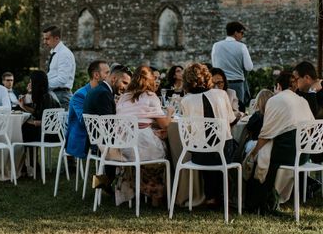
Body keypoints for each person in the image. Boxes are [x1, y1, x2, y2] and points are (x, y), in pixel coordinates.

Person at [247, 71, 314, 213]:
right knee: (264, 155)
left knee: (260, 156)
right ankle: (265, 201)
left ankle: (256, 203)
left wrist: (254, 152)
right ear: (294, 86)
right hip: (304, 154)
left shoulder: (275, 100)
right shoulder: (303, 101)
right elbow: (312, 127)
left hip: (288, 152)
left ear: (278, 85)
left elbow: (266, 133)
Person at [116, 66, 175, 206]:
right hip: (142, 145)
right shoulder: (150, 96)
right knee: (164, 150)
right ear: (149, 80)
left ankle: (138, 192)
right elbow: (165, 125)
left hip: (123, 146)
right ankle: (156, 196)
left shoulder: (123, 97)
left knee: (153, 141)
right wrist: (170, 112)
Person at [179, 63, 236, 208]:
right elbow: (231, 120)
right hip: (224, 152)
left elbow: (189, 130)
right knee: (225, 146)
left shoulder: (185, 101)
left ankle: (211, 196)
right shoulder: (222, 94)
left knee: (204, 146)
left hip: (201, 155)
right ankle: (226, 195)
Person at [65, 60, 110, 160]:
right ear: (96, 75)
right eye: (107, 73)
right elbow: (84, 120)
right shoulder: (80, 95)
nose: (109, 76)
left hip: (99, 135)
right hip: (84, 138)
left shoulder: (106, 93)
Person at [211, 21, 253, 112]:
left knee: (221, 110)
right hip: (237, 83)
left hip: (220, 83)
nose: (242, 36)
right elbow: (249, 67)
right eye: (242, 33)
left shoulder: (216, 46)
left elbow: (214, 66)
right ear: (235, 33)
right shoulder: (241, 46)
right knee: (238, 111)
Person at [18, 70, 61, 143]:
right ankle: (30, 154)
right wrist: (23, 106)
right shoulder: (45, 95)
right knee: (23, 127)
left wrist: (31, 122)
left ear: (37, 83)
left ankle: (22, 153)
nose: (29, 84)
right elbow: (39, 113)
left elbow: (46, 121)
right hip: (49, 132)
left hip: (49, 134)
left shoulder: (47, 97)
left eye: (31, 82)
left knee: (21, 129)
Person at [43, 25, 76, 110]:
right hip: (55, 94)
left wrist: (43, 85)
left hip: (62, 96)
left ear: (56, 38)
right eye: (44, 39)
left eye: (47, 39)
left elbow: (62, 79)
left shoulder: (64, 54)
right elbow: (52, 75)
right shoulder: (56, 53)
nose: (44, 42)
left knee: (61, 123)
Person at [243, 89, 273, 155]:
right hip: (271, 145)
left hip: (256, 144)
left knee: (244, 144)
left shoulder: (257, 115)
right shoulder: (273, 116)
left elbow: (249, 127)